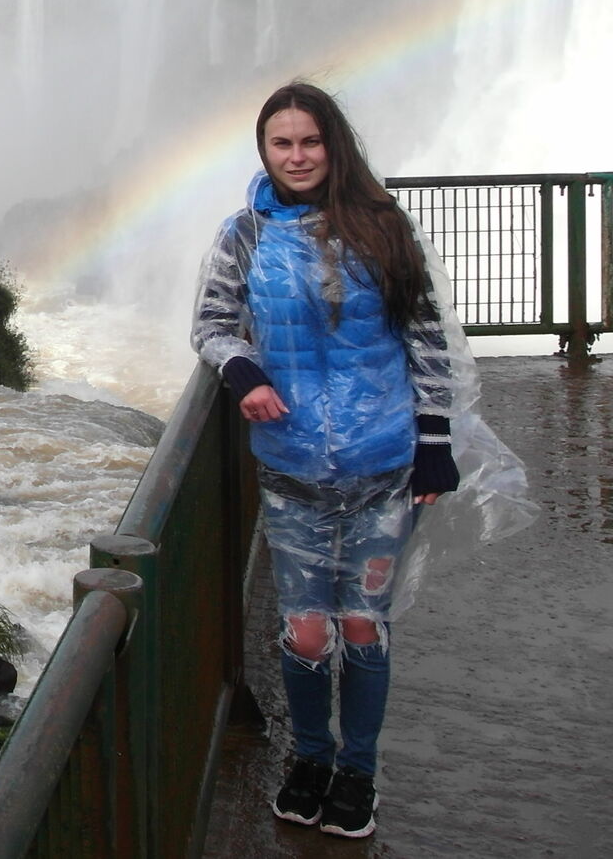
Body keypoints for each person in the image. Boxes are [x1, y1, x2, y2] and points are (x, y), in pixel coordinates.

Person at [190, 81, 460, 840]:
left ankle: (358, 771)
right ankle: (310, 759)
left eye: (311, 141)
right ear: (264, 150)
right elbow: (211, 322)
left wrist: (434, 442)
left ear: (333, 145)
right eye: (283, 143)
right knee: (307, 632)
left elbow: (427, 339)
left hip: (383, 463)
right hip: (291, 466)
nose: (298, 155)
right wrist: (241, 369)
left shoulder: (382, 227)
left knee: (363, 627)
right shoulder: (242, 234)